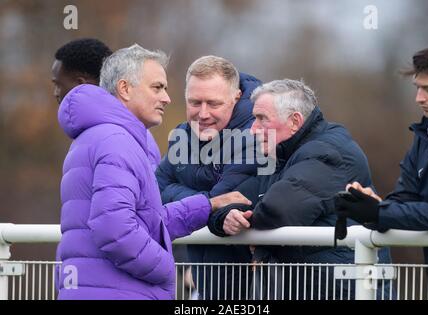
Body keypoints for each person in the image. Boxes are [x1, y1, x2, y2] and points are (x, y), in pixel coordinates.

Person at [56, 44, 250, 300]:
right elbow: (113, 228)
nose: (167, 98)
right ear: (125, 89)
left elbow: (146, 222)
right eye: (157, 87)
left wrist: (207, 205)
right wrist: (165, 266)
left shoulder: (102, 136)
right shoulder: (115, 140)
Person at [208, 79, 391, 299]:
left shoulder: (328, 151)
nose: (252, 130)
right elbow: (230, 199)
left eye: (261, 119)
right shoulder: (283, 155)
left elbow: (279, 209)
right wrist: (225, 218)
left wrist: (244, 224)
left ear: (295, 121)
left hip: (343, 289)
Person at [335, 42, 428, 299]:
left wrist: (381, 213)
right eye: (418, 88)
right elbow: (404, 198)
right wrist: (373, 208)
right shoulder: (425, 136)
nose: (419, 98)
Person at [155, 55, 262, 299]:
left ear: (236, 97)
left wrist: (191, 202)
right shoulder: (182, 134)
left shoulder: (258, 134)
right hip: (206, 280)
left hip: (252, 284)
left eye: (213, 104)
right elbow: (154, 191)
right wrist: (208, 203)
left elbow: (234, 199)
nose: (202, 114)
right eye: (194, 102)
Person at [51, 38, 161, 169]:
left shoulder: (113, 138)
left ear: (80, 85)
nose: (55, 93)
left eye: (58, 85)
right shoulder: (135, 131)